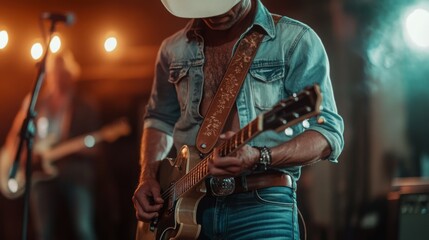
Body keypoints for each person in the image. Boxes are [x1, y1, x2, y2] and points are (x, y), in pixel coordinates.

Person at [132, 0, 344, 239]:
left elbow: (328, 134)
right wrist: (148, 176)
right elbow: (158, 120)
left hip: (261, 205)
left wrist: (260, 156)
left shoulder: (295, 39)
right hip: (185, 207)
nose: (215, 12)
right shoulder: (173, 49)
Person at [0, 50, 99, 240]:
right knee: (42, 232)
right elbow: (15, 134)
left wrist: (77, 148)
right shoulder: (36, 102)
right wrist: (18, 156)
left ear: (70, 75)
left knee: (83, 229)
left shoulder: (84, 105)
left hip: (73, 174)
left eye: (62, 73)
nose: (57, 78)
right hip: (39, 175)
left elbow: (95, 148)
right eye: (54, 73)